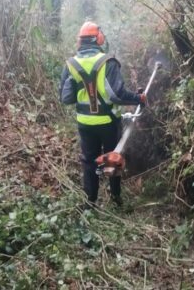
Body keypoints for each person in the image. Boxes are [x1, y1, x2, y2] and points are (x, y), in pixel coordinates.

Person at [59, 21, 146, 207]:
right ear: (98, 39)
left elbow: (66, 98)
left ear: (80, 41)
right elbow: (117, 95)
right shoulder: (108, 62)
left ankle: (90, 202)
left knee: (89, 161)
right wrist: (138, 98)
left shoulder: (71, 64)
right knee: (112, 159)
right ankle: (115, 198)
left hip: (85, 124)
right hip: (108, 122)